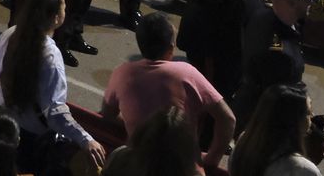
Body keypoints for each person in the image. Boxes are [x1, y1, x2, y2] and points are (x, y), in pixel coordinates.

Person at [0, 0, 104, 175]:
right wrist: (86, 139)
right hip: (28, 140)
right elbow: (55, 112)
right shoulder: (51, 56)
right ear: (56, 18)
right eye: (64, 8)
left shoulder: (11, 33)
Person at [100, 12, 234, 171]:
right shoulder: (187, 73)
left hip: (141, 166)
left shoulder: (122, 73)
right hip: (185, 168)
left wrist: (137, 123)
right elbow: (227, 118)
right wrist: (213, 157)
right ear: (171, 48)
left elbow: (108, 113)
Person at [227, 84, 321, 176]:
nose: (312, 115)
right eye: (308, 112)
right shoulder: (303, 169)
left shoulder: (244, 142)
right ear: (292, 122)